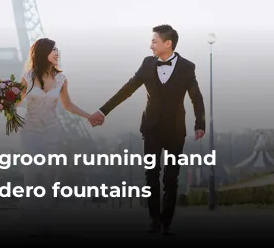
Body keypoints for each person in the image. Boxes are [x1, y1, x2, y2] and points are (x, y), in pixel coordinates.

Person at [88, 24, 206, 236]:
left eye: (154, 41)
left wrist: (200, 124)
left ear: (167, 44)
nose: (150, 45)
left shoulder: (187, 67)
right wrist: (103, 111)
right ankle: (154, 221)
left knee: (171, 178)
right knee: (151, 175)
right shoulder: (146, 64)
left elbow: (196, 98)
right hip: (151, 129)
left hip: (175, 130)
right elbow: (127, 90)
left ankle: (167, 223)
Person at [15, 37, 92, 237]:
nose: (57, 53)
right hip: (31, 131)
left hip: (52, 132)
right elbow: (15, 102)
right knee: (33, 174)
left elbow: (68, 105)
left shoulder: (61, 78)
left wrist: (89, 116)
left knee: (49, 176)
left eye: (57, 49)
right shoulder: (28, 77)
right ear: (42, 53)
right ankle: (28, 217)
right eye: (53, 50)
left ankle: (44, 219)